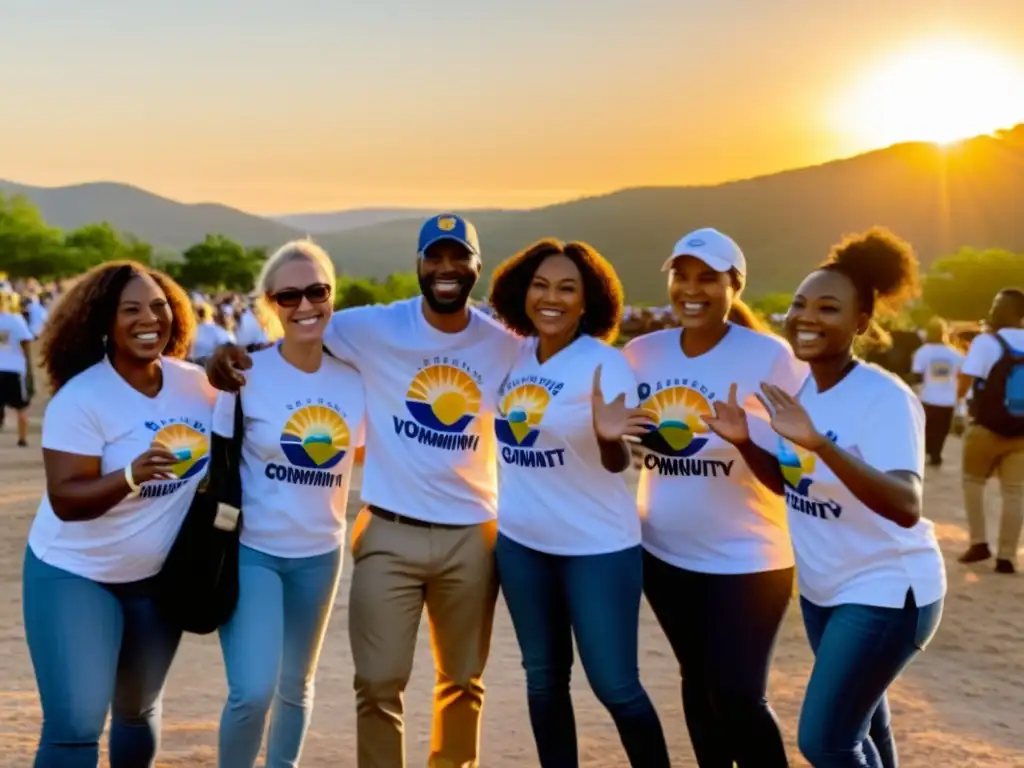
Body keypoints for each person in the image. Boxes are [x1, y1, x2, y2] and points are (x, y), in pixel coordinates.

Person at [205, 214, 521, 768]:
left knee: (463, 680)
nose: (446, 268)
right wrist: (227, 351)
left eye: (457, 257)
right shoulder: (372, 327)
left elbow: (555, 372)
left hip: (471, 532)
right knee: (375, 682)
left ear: (476, 265)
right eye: (435, 257)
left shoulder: (505, 344)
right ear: (418, 264)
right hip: (385, 530)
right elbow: (292, 332)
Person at [705, 227, 946, 768]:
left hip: (888, 589)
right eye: (799, 303)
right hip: (825, 589)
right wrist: (745, 441)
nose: (805, 316)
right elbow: (793, 485)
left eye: (828, 308)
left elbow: (907, 504)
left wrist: (819, 444)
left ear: (861, 322)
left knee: (825, 741)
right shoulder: (804, 389)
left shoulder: (883, 396)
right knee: (864, 726)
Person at [621, 228, 803, 767]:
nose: (691, 289)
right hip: (663, 554)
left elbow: (789, 477)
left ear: (735, 285)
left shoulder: (770, 357)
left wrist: (744, 438)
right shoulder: (641, 354)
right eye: (681, 275)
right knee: (697, 685)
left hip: (749, 560)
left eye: (709, 277)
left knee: (739, 695)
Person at [487, 239, 671, 768]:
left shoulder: (603, 365)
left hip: (598, 549)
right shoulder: (514, 355)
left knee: (616, 686)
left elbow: (619, 463)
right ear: (523, 292)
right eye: (541, 285)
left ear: (588, 302)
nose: (552, 298)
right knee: (543, 681)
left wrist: (611, 437)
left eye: (568, 288)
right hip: (522, 546)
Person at [22, 261, 214, 767]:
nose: (149, 318)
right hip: (75, 575)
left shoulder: (195, 385)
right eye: (130, 310)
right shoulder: (81, 398)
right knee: (77, 726)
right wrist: (130, 475)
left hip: (155, 581)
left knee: (136, 711)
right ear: (103, 323)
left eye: (158, 306)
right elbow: (67, 498)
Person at [212, 241, 365, 767]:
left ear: (332, 295)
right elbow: (214, 457)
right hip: (254, 550)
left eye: (317, 292)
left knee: (296, 687)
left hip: (320, 553)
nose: (305, 306)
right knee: (253, 690)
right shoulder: (245, 375)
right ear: (271, 304)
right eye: (289, 295)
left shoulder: (356, 380)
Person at [956, 288, 1024, 574]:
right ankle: (1007, 556)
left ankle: (979, 542)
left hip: (986, 427)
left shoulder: (986, 341)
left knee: (973, 482)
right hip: (1021, 431)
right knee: (1015, 493)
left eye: (998, 304)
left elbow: (966, 379)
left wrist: (959, 403)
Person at [910, 318, 963, 466]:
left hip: (927, 397)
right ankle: (936, 454)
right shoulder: (955, 353)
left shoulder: (922, 352)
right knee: (942, 429)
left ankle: (926, 452)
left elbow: (917, 376)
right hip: (948, 399)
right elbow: (962, 374)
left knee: (926, 427)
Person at [0, 288, 34, 447]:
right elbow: (26, 341)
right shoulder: (16, 320)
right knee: (21, 407)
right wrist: (27, 362)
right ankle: (22, 438)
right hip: (14, 368)